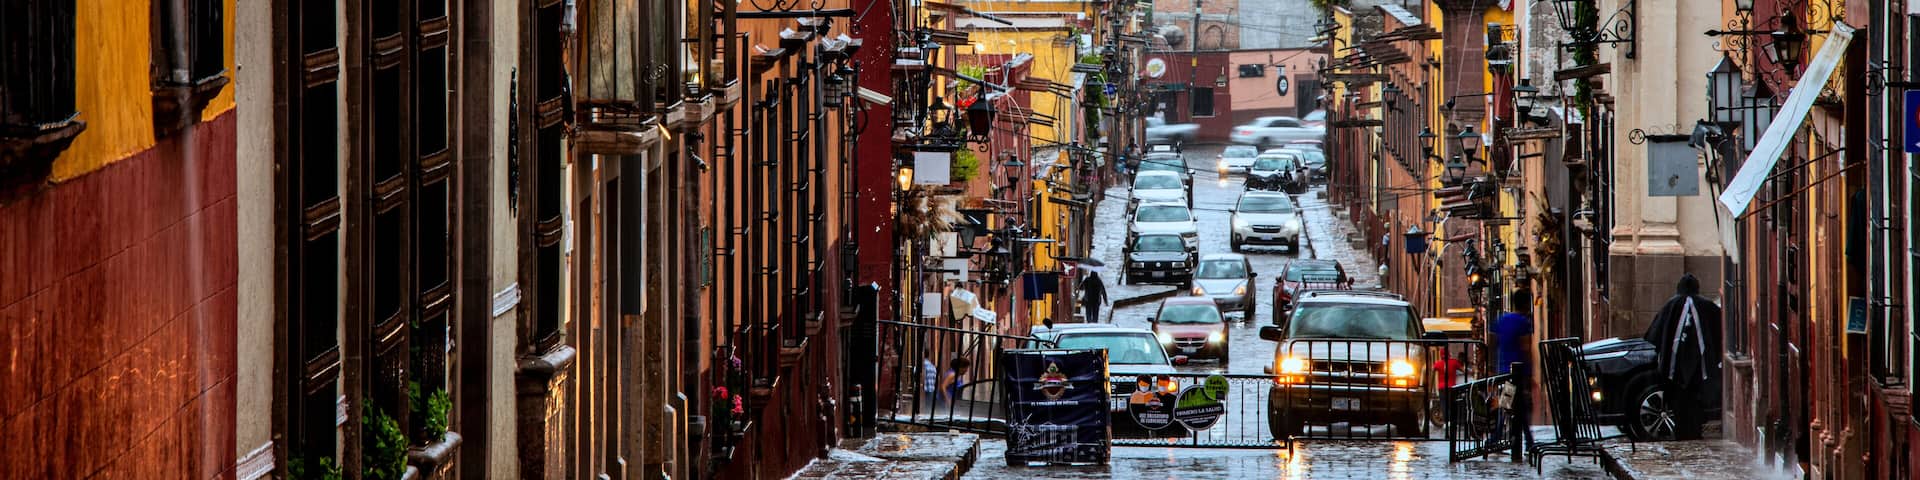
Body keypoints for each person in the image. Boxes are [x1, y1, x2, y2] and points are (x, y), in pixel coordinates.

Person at [1642, 273, 1723, 440]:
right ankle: (1694, 432)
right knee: (1696, 402)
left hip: (1675, 368)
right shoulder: (1708, 306)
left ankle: (1681, 433)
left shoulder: (1670, 306)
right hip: (1700, 368)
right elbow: (1720, 332)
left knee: (1679, 402)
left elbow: (1653, 335)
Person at [1490, 293, 1534, 458]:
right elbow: (1526, 348)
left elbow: (1492, 342)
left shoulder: (1502, 320)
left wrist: (1492, 367)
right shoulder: (1523, 323)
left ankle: (1525, 441)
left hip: (1504, 371)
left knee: (1508, 405)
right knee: (1515, 406)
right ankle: (1525, 442)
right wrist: (1529, 374)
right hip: (1518, 372)